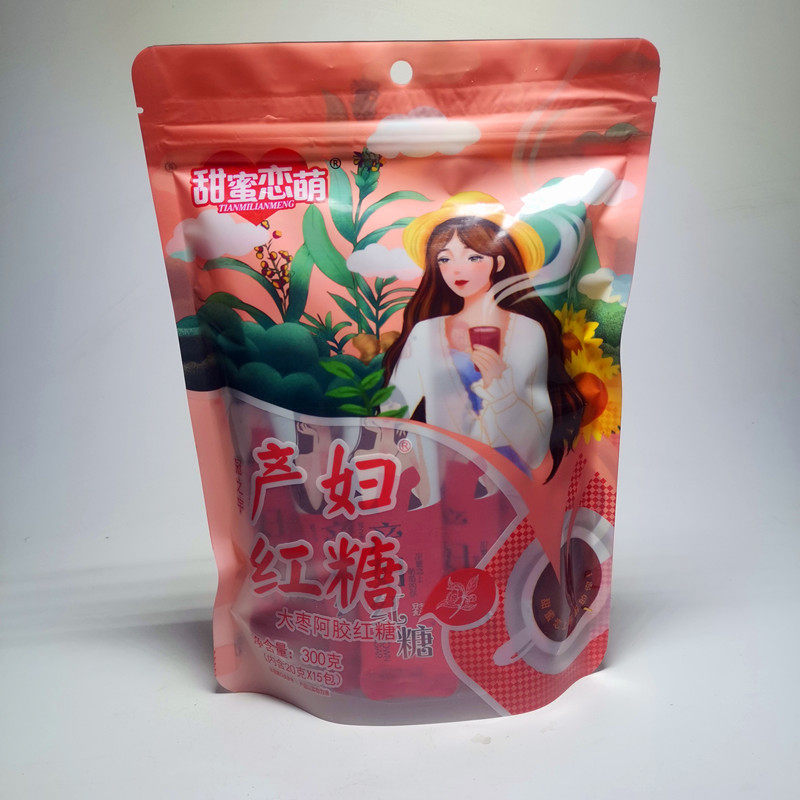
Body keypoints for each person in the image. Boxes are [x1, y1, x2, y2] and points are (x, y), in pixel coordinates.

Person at [382, 193, 584, 479]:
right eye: (444, 258)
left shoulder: (527, 331)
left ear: (498, 263)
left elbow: (537, 445)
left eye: (474, 256)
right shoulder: (425, 333)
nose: (457, 268)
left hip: (511, 482)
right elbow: (392, 413)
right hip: (442, 479)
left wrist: (501, 388)